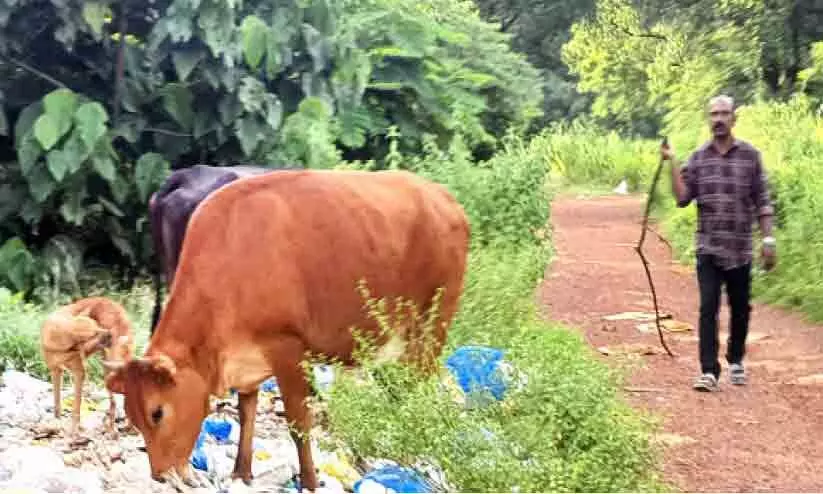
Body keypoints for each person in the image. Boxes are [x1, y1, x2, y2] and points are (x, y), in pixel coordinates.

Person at [661, 94, 776, 392]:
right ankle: (708, 370)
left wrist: (768, 239)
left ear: (734, 118)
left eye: (724, 114)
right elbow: (683, 198)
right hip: (708, 247)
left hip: (739, 247)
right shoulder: (699, 158)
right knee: (707, 307)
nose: (719, 119)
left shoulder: (751, 156)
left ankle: (736, 359)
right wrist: (672, 163)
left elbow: (762, 200)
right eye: (714, 114)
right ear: (708, 119)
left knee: (740, 308)